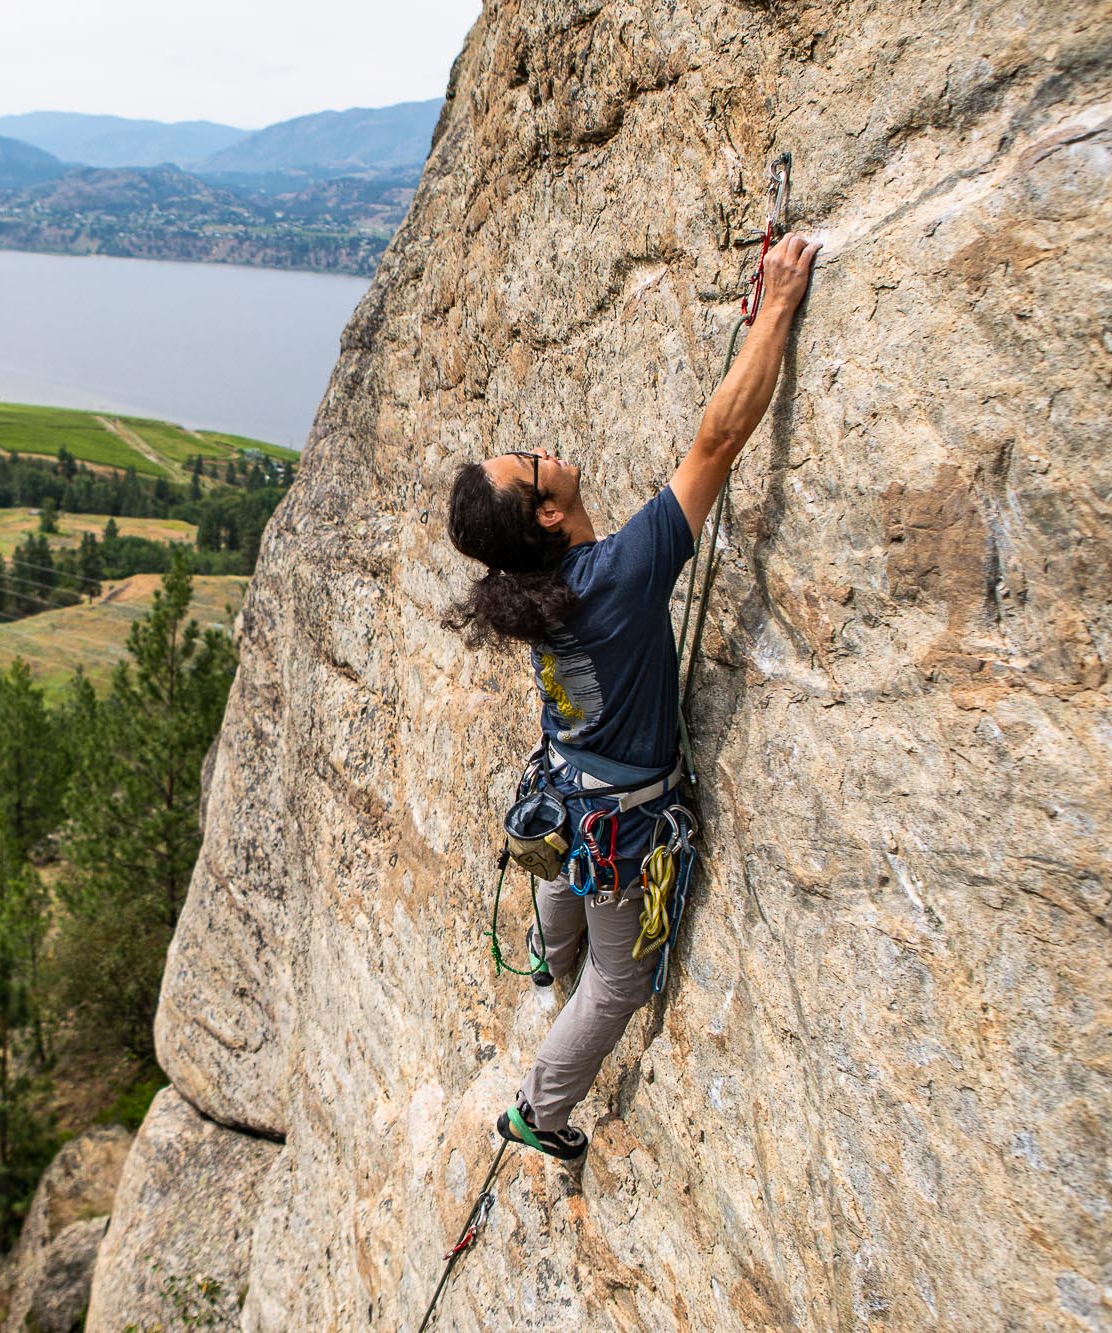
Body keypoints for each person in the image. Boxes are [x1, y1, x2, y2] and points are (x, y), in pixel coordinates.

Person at [444, 232, 822, 1161]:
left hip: (568, 786)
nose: (543, 450)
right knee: (618, 985)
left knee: (566, 878)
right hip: (620, 819)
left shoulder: (537, 590)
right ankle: (539, 1112)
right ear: (547, 514)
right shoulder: (616, 575)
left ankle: (548, 958)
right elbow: (717, 443)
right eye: (531, 464)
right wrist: (776, 309)